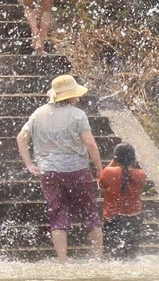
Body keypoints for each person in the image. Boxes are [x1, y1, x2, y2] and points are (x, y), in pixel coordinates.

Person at [18, 74, 105, 261]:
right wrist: (99, 168)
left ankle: (63, 262)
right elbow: (90, 143)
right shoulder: (77, 115)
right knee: (90, 212)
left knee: (58, 215)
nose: (78, 98)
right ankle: (98, 259)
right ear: (70, 96)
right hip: (77, 170)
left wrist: (29, 163)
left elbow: (21, 138)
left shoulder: (38, 113)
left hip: (49, 171)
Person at [100, 143, 150, 259]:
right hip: (134, 219)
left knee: (111, 257)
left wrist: (113, 161)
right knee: (131, 257)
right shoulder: (141, 175)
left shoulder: (108, 172)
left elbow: (100, 183)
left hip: (112, 219)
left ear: (116, 158)